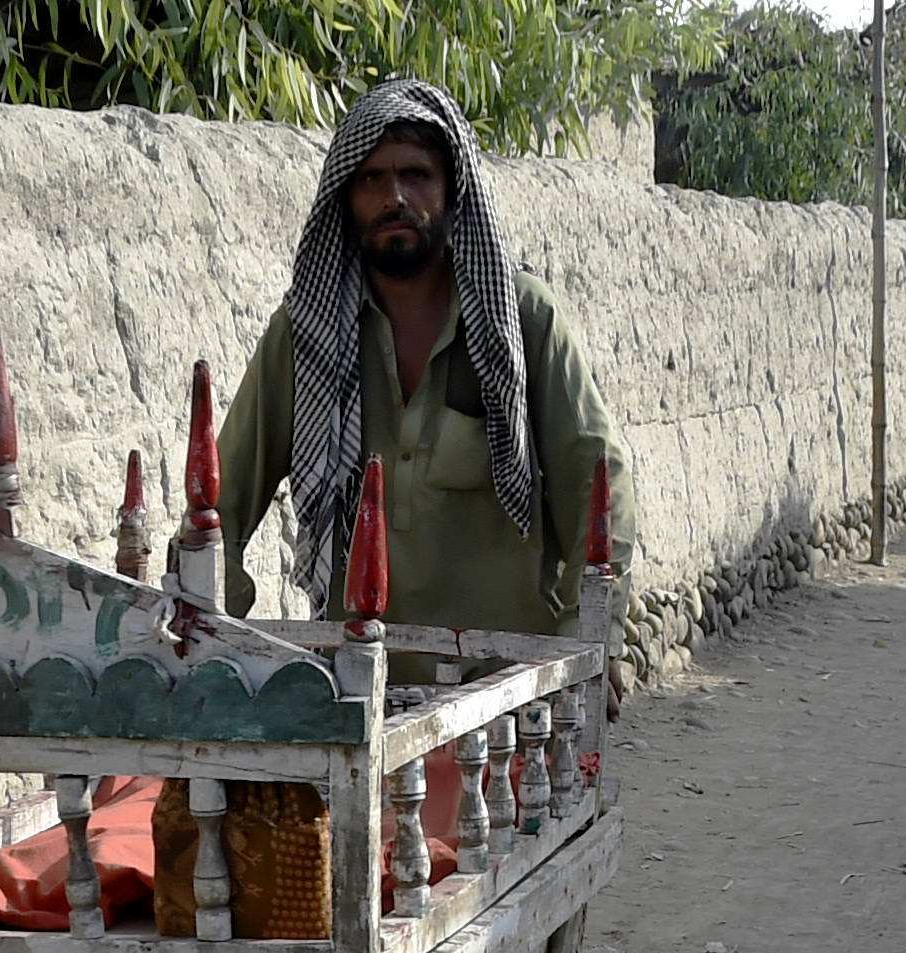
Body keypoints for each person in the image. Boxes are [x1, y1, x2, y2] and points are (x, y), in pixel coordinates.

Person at [217, 77, 635, 704]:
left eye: (416, 175)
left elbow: (600, 484)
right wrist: (209, 633)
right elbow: (220, 496)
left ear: (451, 191)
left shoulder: (522, 324)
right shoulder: (307, 335)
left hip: (506, 703)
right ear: (346, 198)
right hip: (359, 698)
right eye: (371, 179)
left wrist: (586, 646)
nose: (394, 196)